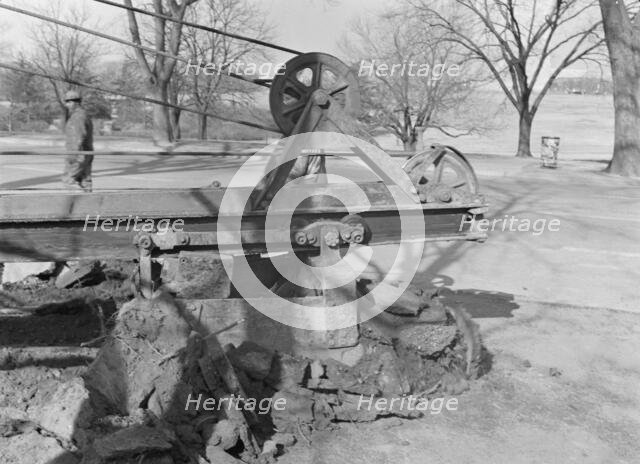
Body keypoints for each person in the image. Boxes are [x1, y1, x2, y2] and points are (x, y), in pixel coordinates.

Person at [62, 90, 94, 192]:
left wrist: (73, 155)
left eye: (67, 102)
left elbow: (78, 137)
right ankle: (88, 205)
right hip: (85, 153)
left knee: (69, 181)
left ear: (73, 102)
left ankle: (74, 206)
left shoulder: (78, 117)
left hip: (77, 155)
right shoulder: (83, 115)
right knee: (85, 183)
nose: (66, 105)